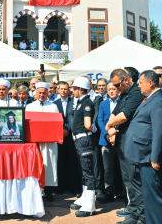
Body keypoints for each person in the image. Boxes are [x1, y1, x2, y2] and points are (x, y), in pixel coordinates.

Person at [123, 71, 162, 224]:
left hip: (149, 157)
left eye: (140, 82)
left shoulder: (158, 100)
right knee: (148, 196)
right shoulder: (150, 99)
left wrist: (155, 157)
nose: (138, 85)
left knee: (153, 198)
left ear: (150, 83)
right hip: (142, 154)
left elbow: (159, 131)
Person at [106, 68, 146, 224]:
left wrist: (110, 124)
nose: (115, 89)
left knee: (135, 180)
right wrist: (110, 129)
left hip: (132, 143)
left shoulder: (136, 92)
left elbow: (125, 115)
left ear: (126, 80)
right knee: (128, 179)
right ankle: (134, 212)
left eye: (117, 85)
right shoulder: (123, 94)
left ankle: (140, 216)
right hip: (121, 141)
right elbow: (115, 113)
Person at [68, 77, 97, 217]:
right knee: (84, 171)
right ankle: (85, 198)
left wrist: (93, 128)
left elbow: (87, 124)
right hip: (79, 140)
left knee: (88, 172)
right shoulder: (81, 102)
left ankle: (90, 204)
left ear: (81, 89)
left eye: (74, 88)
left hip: (84, 139)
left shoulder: (86, 103)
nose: (72, 91)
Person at [26, 83, 60, 202]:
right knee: (35, 164)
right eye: (39, 93)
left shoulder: (53, 106)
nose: (42, 95)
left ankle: (49, 191)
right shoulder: (29, 107)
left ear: (47, 93)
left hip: (49, 141)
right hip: (34, 142)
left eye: (44, 93)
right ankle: (36, 191)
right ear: (36, 93)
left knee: (49, 165)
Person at [54, 81, 82, 195]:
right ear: (58, 90)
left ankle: (73, 187)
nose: (64, 91)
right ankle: (61, 187)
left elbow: (75, 118)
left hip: (71, 136)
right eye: (61, 89)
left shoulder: (74, 102)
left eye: (66, 89)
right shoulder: (54, 104)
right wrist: (60, 131)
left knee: (72, 162)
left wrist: (68, 130)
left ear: (69, 90)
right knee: (60, 162)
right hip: (59, 137)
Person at [97, 82, 120, 204]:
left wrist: (115, 133)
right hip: (105, 140)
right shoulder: (103, 103)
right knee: (108, 168)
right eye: (109, 89)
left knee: (122, 168)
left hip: (120, 138)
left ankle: (122, 193)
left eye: (113, 89)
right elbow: (100, 120)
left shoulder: (123, 102)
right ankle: (109, 192)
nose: (111, 91)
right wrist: (107, 134)